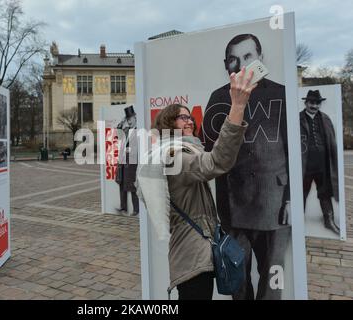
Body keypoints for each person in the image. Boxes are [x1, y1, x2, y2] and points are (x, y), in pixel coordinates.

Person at [138, 67, 255, 300]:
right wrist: (238, 107)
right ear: (168, 124)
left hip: (196, 254)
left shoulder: (177, 152)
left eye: (190, 116)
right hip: (192, 259)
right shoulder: (172, 157)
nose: (190, 119)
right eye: (183, 116)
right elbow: (216, 162)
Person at [202, 33, 290, 300]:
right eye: (233, 59)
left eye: (248, 56)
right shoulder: (218, 97)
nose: (240, 65)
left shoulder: (282, 93)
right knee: (237, 281)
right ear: (226, 65)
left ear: (260, 58)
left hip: (273, 205)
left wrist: (290, 199)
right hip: (232, 206)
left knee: (272, 281)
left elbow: (298, 153)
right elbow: (208, 149)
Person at [300, 90, 339, 234]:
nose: (314, 106)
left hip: (323, 164)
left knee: (325, 192)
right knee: (301, 193)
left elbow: (332, 141)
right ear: (306, 103)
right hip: (305, 165)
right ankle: (298, 222)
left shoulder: (325, 119)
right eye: (311, 102)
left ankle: (329, 221)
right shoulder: (297, 118)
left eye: (317, 103)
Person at [115, 105, 139, 216]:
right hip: (123, 163)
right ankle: (123, 207)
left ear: (135, 118)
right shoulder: (125, 130)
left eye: (130, 119)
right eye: (127, 119)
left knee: (133, 186)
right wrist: (123, 120)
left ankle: (136, 210)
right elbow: (118, 130)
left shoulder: (139, 131)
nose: (129, 121)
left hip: (133, 163)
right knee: (122, 185)